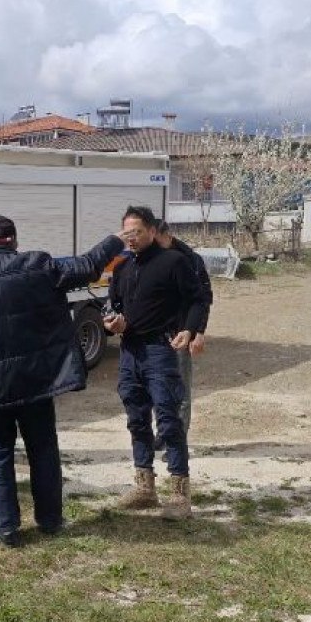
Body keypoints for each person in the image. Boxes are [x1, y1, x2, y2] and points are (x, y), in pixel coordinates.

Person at [0, 215, 126, 547]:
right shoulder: (39, 265)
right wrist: (116, 239)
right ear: (14, 240)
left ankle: (6, 527)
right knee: (43, 450)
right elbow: (88, 266)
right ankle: (50, 520)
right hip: (36, 381)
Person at [105, 205, 207, 520]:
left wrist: (190, 329)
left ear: (151, 230)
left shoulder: (173, 262)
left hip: (161, 350)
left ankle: (179, 495)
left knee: (168, 418)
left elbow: (198, 299)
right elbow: (114, 306)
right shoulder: (122, 267)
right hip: (129, 352)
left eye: (137, 232)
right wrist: (113, 322)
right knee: (136, 418)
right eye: (127, 233)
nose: (131, 238)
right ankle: (144, 487)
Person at [154, 221, 213, 448]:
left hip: (182, 333)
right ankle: (163, 433)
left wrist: (199, 332)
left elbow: (203, 299)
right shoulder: (151, 259)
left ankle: (177, 442)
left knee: (180, 391)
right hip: (156, 334)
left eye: (157, 241)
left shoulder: (191, 260)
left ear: (167, 235)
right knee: (158, 388)